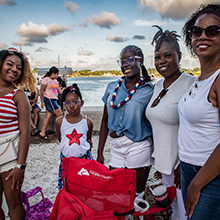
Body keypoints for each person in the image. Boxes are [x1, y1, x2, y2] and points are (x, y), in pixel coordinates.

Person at [146, 26, 195, 220]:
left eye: (167, 55)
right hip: (163, 164)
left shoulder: (190, 84)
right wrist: (158, 162)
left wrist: (183, 164)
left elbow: (195, 127)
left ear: (179, 56)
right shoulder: (157, 85)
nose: (161, 61)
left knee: (186, 214)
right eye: (157, 57)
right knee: (174, 211)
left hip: (181, 167)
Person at [178, 3, 220, 219]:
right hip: (188, 170)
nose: (203, 36)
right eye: (197, 31)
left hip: (209, 176)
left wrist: (196, 184)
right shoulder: (198, 81)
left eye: (212, 31)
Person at [97, 45, 154, 198]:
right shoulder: (111, 88)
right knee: (116, 192)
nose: (125, 64)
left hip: (138, 145)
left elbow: (155, 122)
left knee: (136, 195)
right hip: (115, 146)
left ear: (140, 61)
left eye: (130, 59)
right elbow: (104, 120)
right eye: (122, 61)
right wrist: (100, 152)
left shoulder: (149, 90)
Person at [0, 48, 36, 219]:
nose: (14, 69)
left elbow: (25, 133)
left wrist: (20, 166)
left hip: (10, 156)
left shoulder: (18, 95)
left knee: (13, 201)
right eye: (9, 64)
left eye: (19, 67)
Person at [56, 83, 93, 189]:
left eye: (75, 102)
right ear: (63, 105)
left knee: (83, 186)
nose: (71, 106)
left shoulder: (87, 122)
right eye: (67, 103)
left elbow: (87, 140)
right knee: (67, 186)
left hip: (83, 161)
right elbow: (61, 139)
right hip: (66, 161)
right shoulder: (60, 122)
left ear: (82, 103)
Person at [39, 66, 62, 140]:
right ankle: (60, 132)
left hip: (54, 99)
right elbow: (42, 91)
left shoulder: (55, 80)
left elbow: (57, 90)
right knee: (60, 115)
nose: (57, 76)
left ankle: (42, 132)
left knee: (48, 117)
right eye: (57, 74)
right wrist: (42, 102)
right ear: (53, 73)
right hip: (49, 99)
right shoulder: (45, 80)